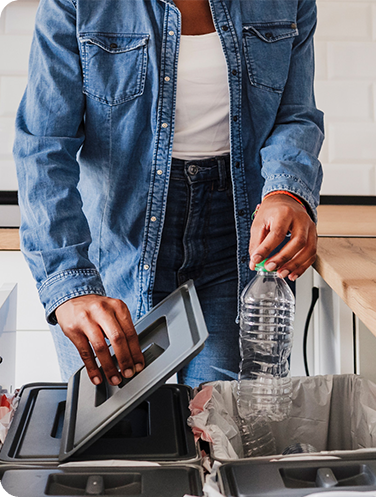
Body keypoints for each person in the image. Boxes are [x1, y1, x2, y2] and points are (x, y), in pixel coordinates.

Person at [13, 0, 324, 388]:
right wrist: (70, 284)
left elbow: (295, 113)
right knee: (117, 434)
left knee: (222, 429)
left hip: (238, 244)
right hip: (117, 243)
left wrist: (287, 193)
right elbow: (44, 146)